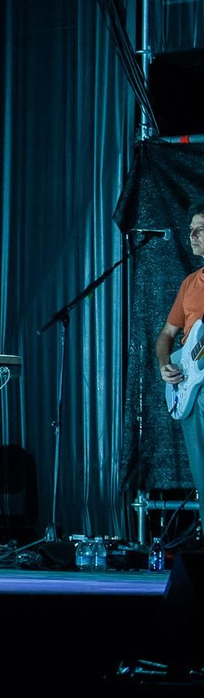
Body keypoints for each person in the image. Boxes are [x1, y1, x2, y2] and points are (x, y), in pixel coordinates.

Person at [157, 201, 204, 499]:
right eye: (191, 230)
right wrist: (165, 364)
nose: (193, 236)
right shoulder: (189, 284)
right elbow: (166, 335)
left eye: (200, 230)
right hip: (189, 386)